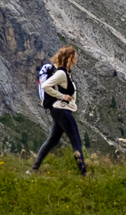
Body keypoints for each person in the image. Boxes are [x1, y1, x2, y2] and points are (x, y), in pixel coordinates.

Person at [29, 45, 87, 175]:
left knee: (52, 140)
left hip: (59, 111)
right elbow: (45, 85)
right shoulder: (61, 73)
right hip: (62, 110)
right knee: (75, 139)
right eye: (75, 57)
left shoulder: (64, 73)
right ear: (70, 58)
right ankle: (83, 172)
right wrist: (62, 96)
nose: (76, 59)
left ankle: (34, 168)